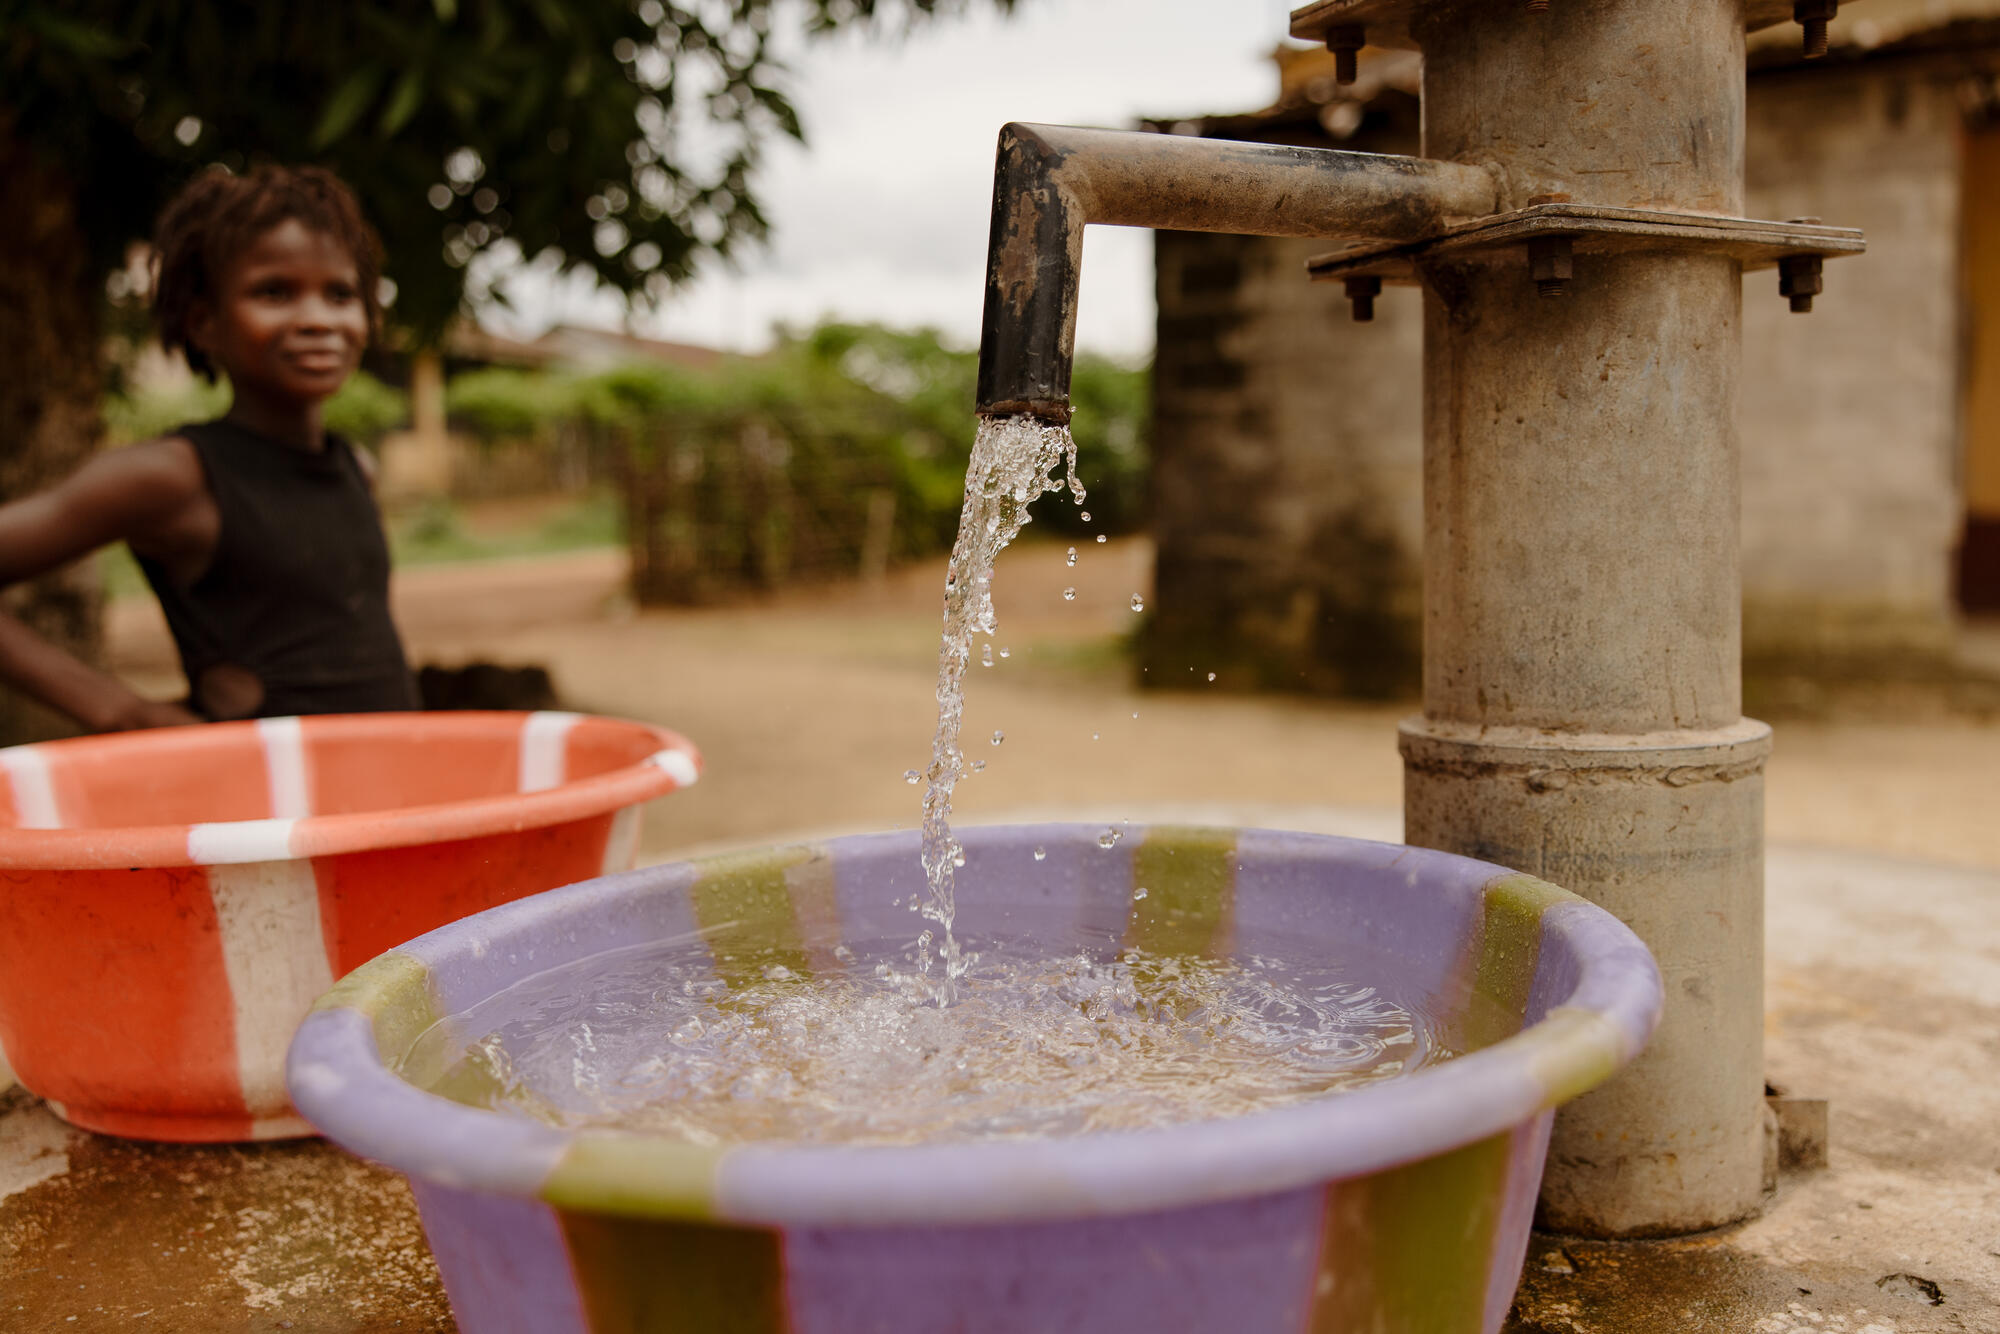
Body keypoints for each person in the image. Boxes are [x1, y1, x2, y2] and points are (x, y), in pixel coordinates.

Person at [0, 165, 419, 730]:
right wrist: (119, 709)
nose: (319, 320)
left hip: (383, 784)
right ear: (204, 323)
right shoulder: (174, 478)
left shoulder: (355, 468)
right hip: (262, 802)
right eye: (275, 292)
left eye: (340, 294)